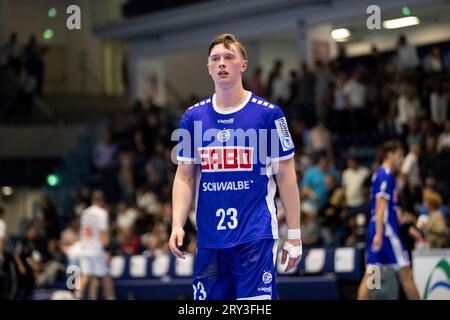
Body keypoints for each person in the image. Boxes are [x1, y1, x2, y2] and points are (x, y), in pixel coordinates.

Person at [169, 33, 302, 300]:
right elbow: (184, 176)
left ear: (243, 65)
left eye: (229, 57)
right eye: (215, 58)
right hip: (210, 238)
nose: (221, 63)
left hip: (255, 235)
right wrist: (177, 224)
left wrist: (295, 235)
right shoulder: (192, 117)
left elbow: (287, 176)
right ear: (208, 67)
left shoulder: (270, 114)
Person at [357, 140, 420, 300]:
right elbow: (381, 206)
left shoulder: (380, 174)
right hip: (386, 231)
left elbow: (391, 208)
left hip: (378, 229)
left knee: (373, 273)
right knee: (406, 273)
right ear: (390, 155)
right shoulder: (386, 175)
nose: (401, 159)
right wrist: (380, 234)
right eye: (400, 155)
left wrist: (408, 226)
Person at [78, 190, 115, 300]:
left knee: (86, 275)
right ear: (102, 201)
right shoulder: (102, 213)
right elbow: (103, 233)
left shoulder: (84, 213)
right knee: (105, 275)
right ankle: (111, 297)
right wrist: (107, 251)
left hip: (84, 249)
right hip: (97, 250)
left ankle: (76, 296)